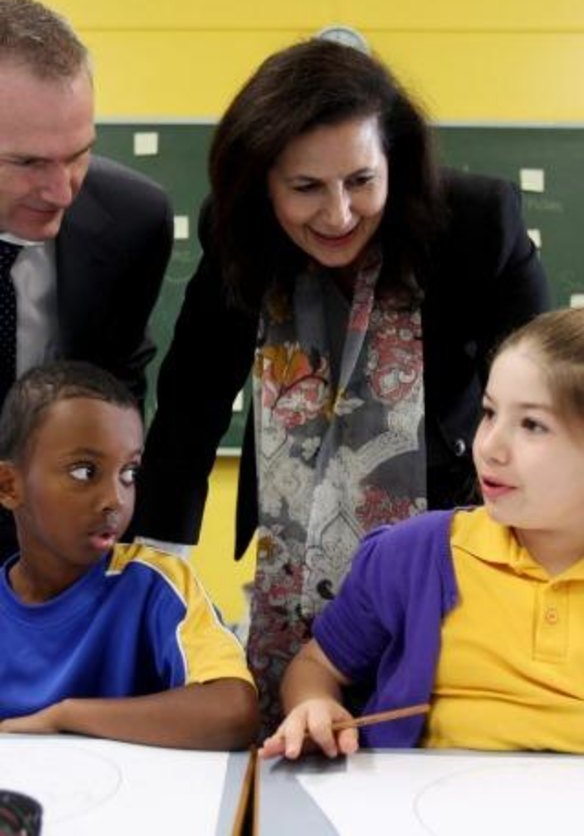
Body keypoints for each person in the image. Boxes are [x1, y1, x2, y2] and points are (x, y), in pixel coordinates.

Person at [134, 38, 549, 731]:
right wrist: (155, 565)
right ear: (261, 182)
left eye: (361, 180)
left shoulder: (476, 223)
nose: (338, 215)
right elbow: (191, 401)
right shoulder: (236, 232)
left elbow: (550, 393)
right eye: (305, 188)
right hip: (292, 551)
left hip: (446, 536)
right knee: (299, 730)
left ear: (395, 162)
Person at [260, 307, 584, 758]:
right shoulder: (413, 555)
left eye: (532, 425)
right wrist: (315, 704)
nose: (488, 446)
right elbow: (315, 666)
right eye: (489, 413)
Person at [0, 360, 258, 750]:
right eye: (84, 472)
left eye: (129, 474)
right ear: (9, 486)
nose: (114, 500)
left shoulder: (157, 585)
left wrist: (65, 716)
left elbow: (233, 711)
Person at [0, 0, 173, 563]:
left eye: (78, 154)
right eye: (27, 163)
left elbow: (119, 390)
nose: (62, 191)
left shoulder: (131, 223)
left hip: (56, 561)